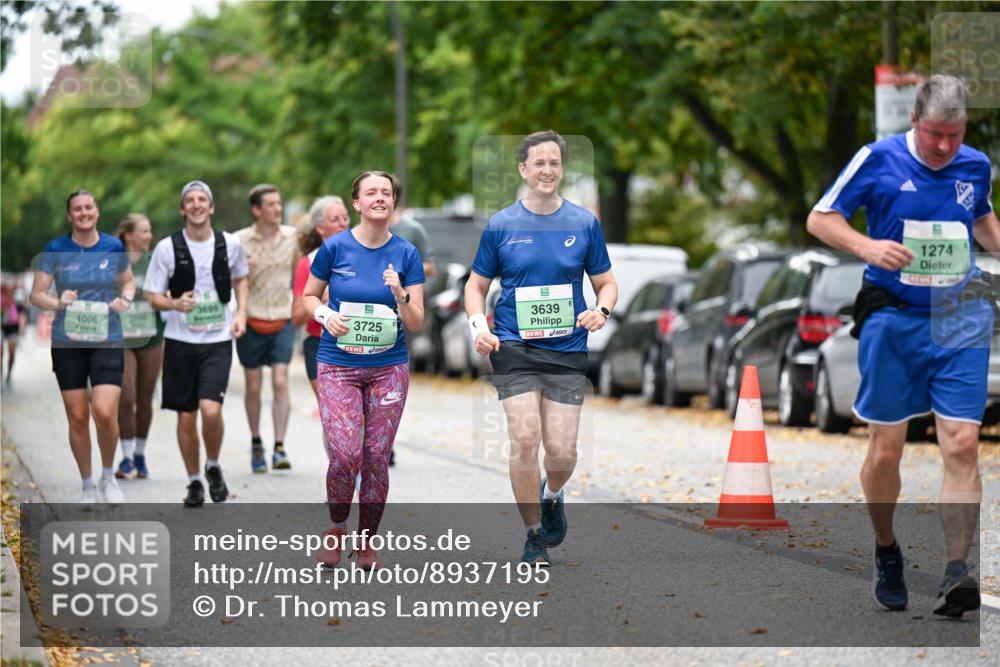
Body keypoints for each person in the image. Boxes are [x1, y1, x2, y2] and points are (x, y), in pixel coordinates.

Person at [807, 75, 997, 617]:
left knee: (961, 443)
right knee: (886, 450)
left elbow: (981, 217)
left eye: (954, 136)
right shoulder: (877, 158)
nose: (944, 147)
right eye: (935, 134)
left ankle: (957, 571)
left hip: (960, 318)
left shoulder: (975, 165)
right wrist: (868, 245)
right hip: (894, 318)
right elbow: (820, 217)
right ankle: (886, 548)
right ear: (915, 121)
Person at [465, 130, 618, 565]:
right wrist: (480, 326)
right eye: (539, 163)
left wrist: (601, 312)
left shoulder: (584, 223)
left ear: (562, 170)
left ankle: (554, 493)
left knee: (563, 451)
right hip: (514, 345)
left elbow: (606, 284)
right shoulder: (501, 225)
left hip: (567, 347)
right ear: (523, 170)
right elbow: (476, 287)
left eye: (554, 163)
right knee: (526, 435)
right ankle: (533, 534)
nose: (547, 170)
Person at [303, 171, 425, 569]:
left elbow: (416, 320)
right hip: (338, 364)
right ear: (356, 203)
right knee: (343, 453)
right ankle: (337, 527)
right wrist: (324, 314)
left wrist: (400, 293)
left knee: (375, 455)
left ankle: (367, 540)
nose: (379, 198)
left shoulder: (406, 254)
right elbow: (309, 296)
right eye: (371, 192)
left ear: (393, 203)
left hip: (388, 367)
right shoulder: (335, 248)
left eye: (386, 193)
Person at [144, 181, 249, 507]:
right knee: (186, 417)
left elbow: (242, 278)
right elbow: (151, 296)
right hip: (179, 340)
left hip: (217, 339)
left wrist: (242, 312)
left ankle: (213, 465)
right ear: (182, 209)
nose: (196, 205)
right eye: (190, 200)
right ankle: (193, 481)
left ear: (211, 207)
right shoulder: (166, 248)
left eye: (202, 199)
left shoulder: (229, 244)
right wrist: (174, 305)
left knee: (210, 409)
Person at [30, 190, 136, 505]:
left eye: (89, 207)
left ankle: (108, 475)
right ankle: (88, 483)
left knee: (104, 412)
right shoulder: (56, 249)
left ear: (97, 212)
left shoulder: (113, 246)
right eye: (77, 209)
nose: (84, 212)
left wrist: (125, 299)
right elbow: (37, 294)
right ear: (70, 216)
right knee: (77, 416)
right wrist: (57, 301)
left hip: (107, 337)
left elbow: (128, 282)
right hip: (68, 342)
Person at [235, 184, 299, 472]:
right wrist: (239, 269)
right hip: (251, 319)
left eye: (279, 203)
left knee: (281, 381)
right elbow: (229, 280)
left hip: (283, 318)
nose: (277, 208)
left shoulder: (293, 238)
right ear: (256, 210)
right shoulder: (239, 241)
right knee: (253, 385)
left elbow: (301, 276)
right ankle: (257, 440)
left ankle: (280, 445)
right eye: (271, 204)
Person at [114, 214, 165, 480]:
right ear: (128, 234)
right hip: (121, 338)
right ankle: (125, 457)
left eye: (150, 231)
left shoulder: (156, 260)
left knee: (145, 398)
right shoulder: (113, 261)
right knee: (127, 395)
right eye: (144, 231)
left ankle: (140, 454)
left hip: (152, 337)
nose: (149, 236)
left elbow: (170, 292)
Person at [291, 196, 350, 398]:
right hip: (320, 343)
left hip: (355, 342)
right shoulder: (308, 262)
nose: (343, 224)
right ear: (320, 228)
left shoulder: (362, 254)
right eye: (335, 220)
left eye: (345, 217)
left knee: (357, 418)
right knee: (335, 414)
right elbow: (297, 318)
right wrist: (319, 298)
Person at [1, 281, 27, 386]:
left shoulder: (17, 300)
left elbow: (22, 314)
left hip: (12, 326)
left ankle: (9, 374)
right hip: (1, 326)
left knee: (12, 353)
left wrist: (22, 328)